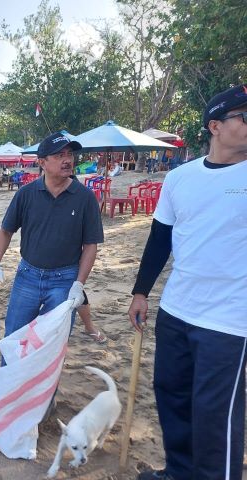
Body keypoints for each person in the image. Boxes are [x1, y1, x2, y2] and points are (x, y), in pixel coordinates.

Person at [128, 84, 247, 480]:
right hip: (177, 310)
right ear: (216, 125)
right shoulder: (180, 178)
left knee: (215, 419)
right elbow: (159, 238)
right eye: (244, 116)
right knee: (172, 398)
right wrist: (141, 292)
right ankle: (179, 472)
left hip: (229, 322)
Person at [0, 132, 103, 358]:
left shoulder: (85, 197)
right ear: (42, 162)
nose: (67, 160)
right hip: (27, 276)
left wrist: (79, 283)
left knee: (52, 346)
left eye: (69, 154)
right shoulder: (26, 194)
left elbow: (90, 245)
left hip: (64, 280)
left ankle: (45, 394)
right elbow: (6, 230)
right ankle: (11, 391)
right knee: (15, 339)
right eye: (59, 155)